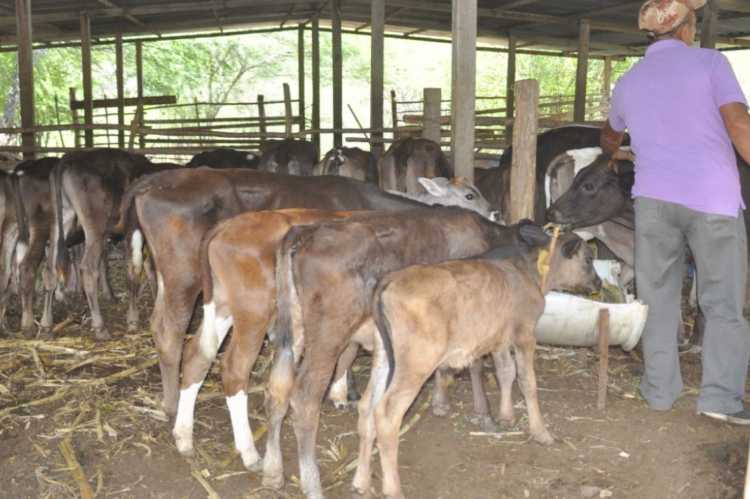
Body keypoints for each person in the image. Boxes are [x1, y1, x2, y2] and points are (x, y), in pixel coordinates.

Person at [601, 0, 750, 424]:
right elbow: (739, 123)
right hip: (712, 202)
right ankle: (720, 399)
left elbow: (609, 134)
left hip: (653, 204)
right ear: (687, 28)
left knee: (658, 298)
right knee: (721, 302)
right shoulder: (710, 63)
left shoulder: (629, 81)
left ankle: (660, 392)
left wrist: (615, 151)